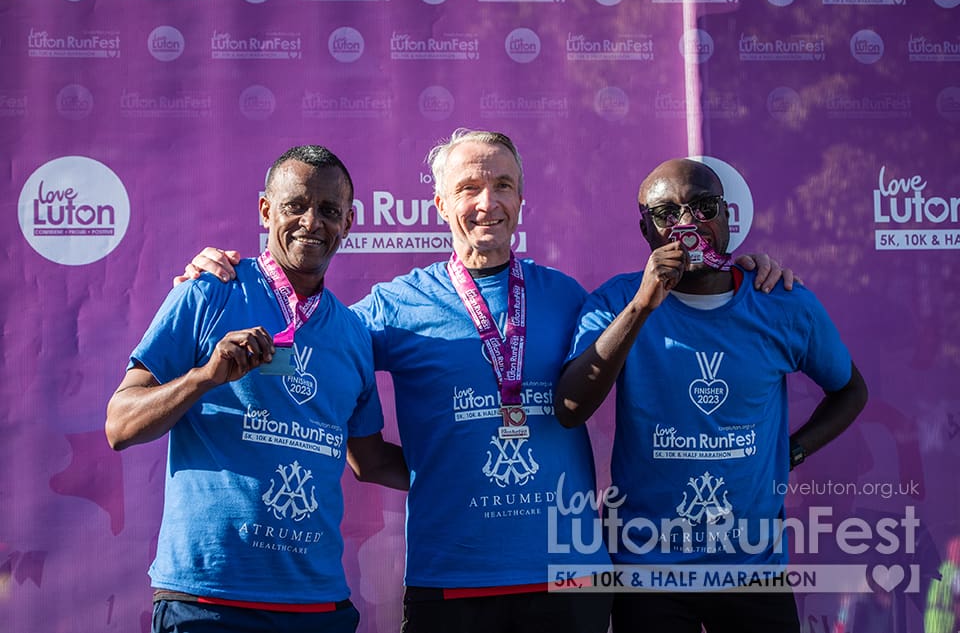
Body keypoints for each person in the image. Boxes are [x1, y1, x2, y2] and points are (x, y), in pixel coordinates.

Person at [178, 130, 795, 633]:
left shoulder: (570, 297)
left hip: (569, 578)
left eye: (502, 185)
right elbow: (308, 344)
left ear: (521, 200)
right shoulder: (392, 307)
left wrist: (741, 270)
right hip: (450, 582)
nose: (487, 202)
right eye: (468, 187)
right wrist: (223, 279)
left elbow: (681, 318)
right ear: (440, 205)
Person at [554, 158, 869, 633]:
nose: (688, 223)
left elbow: (850, 391)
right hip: (647, 570)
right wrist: (642, 305)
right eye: (666, 213)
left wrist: (791, 452)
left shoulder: (782, 303)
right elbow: (569, 408)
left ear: (726, 215)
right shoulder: (616, 301)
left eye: (703, 206)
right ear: (646, 231)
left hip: (753, 569)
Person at [106, 145, 408, 633]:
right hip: (209, 602)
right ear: (266, 210)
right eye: (296, 206)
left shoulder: (353, 333)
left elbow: (369, 461)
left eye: (329, 210)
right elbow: (119, 426)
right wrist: (205, 376)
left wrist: (465, 475)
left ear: (349, 222)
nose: (312, 222)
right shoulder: (208, 290)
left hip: (318, 606)